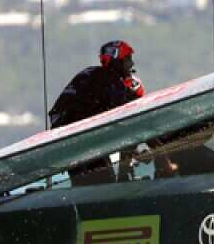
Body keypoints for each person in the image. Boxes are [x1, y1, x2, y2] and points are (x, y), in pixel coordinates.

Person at [48, 40, 153, 185]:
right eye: (128, 59)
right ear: (116, 61)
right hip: (78, 142)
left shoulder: (96, 76)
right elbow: (132, 119)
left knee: (102, 182)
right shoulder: (107, 80)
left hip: (75, 141)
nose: (131, 64)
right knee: (100, 184)